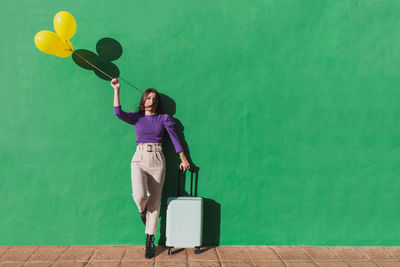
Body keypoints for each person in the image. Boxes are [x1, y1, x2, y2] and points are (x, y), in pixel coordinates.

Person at [111, 78, 190, 259]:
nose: (151, 101)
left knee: (155, 201)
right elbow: (118, 113)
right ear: (143, 100)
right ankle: (142, 210)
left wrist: (183, 159)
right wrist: (117, 89)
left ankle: (149, 239)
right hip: (139, 158)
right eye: (148, 98)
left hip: (157, 159)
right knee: (139, 196)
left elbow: (175, 138)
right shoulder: (137, 117)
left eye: (154, 99)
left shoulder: (164, 119)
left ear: (157, 103)